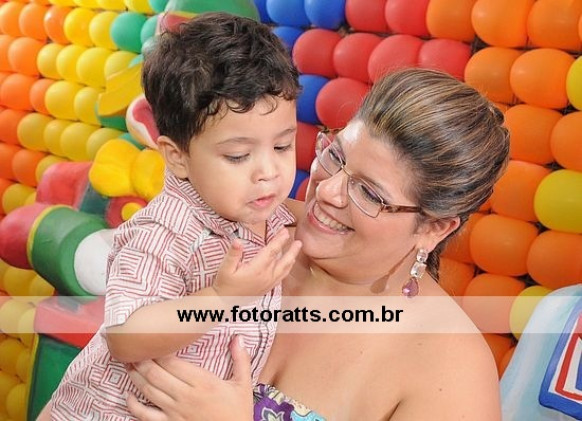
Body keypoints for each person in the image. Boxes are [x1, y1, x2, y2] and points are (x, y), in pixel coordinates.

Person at [123, 68, 511, 421]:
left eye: (368, 193)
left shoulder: (452, 369)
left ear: (434, 228)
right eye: (335, 156)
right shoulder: (235, 224)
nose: (327, 191)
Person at [40, 12, 303, 420]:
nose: (268, 171)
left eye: (283, 146)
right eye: (238, 156)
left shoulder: (269, 216)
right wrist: (221, 298)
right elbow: (125, 335)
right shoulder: (164, 233)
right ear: (177, 157)